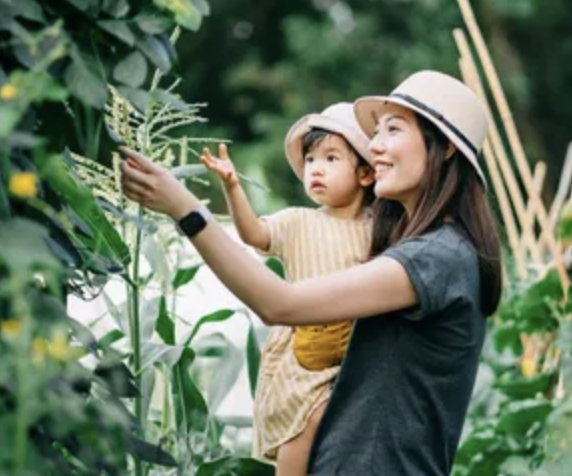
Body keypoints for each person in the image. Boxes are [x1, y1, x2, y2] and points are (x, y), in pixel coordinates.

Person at [118, 70, 503, 475]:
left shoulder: (437, 256)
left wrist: (187, 209)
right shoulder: (424, 249)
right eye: (376, 133)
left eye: (393, 129)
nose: (374, 146)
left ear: (443, 149)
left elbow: (279, 303)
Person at [198, 102, 375, 473]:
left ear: (365, 175)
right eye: (310, 160)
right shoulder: (297, 221)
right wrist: (232, 186)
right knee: (302, 425)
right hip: (303, 357)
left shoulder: (379, 231)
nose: (316, 169)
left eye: (331, 158)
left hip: (355, 355)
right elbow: (254, 234)